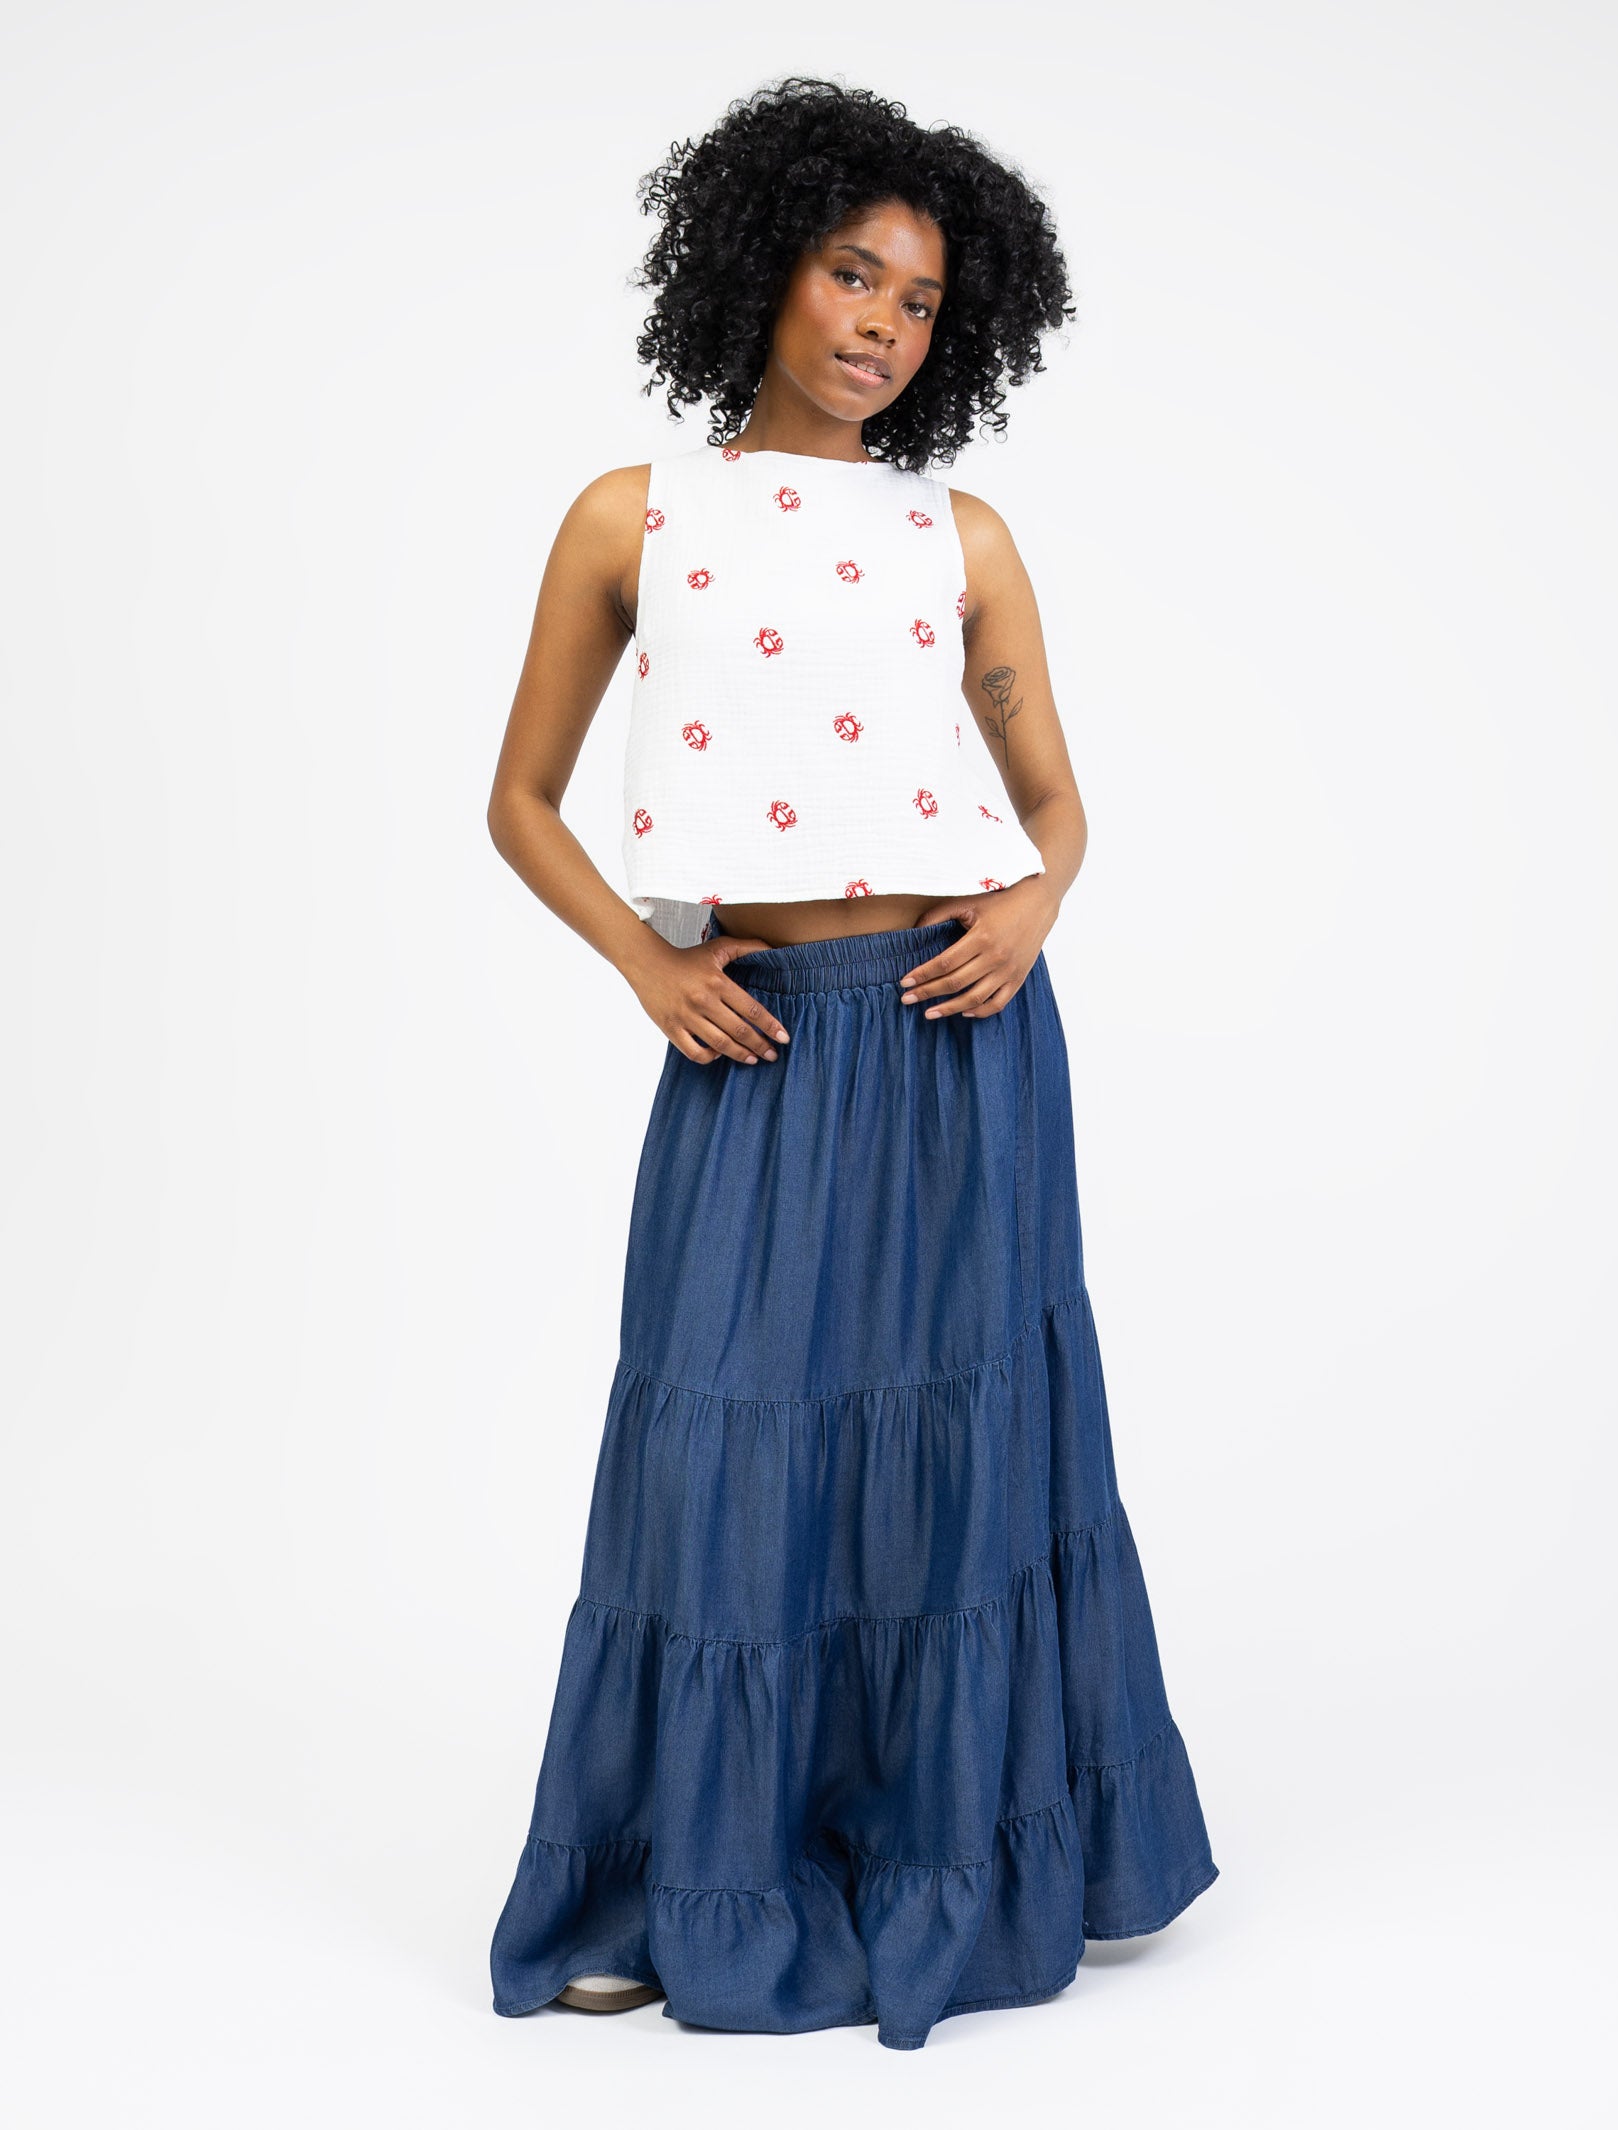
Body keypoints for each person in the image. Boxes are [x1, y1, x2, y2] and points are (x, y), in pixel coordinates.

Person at [484, 77, 1218, 2052]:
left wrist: (1036, 909)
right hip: (759, 1033)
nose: (885, 321)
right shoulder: (631, 518)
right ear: (763, 265)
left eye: (921, 299)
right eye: (851, 272)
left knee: (965, 1449)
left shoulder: (958, 534)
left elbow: (1053, 807)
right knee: (727, 1443)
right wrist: (648, 966)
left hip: (965, 1038)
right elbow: (520, 800)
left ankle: (965, 1839)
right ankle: (682, 1869)